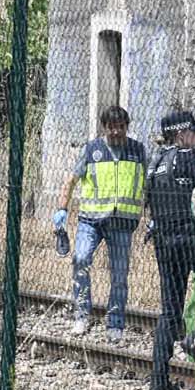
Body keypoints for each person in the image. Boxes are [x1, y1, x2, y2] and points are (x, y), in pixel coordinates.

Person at [54, 105, 147, 343]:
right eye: (111, 127)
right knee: (81, 259)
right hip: (90, 221)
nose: (116, 132)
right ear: (104, 128)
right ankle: (82, 314)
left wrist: (152, 215)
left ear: (127, 127)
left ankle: (115, 324)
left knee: (119, 276)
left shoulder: (138, 151)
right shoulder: (91, 150)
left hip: (122, 224)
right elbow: (71, 181)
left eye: (121, 127)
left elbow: (149, 185)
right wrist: (62, 210)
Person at [143, 111, 195, 390]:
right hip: (191, 239)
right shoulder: (188, 157)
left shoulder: (155, 162)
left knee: (169, 311)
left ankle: (158, 382)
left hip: (163, 241)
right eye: (193, 133)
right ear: (181, 134)